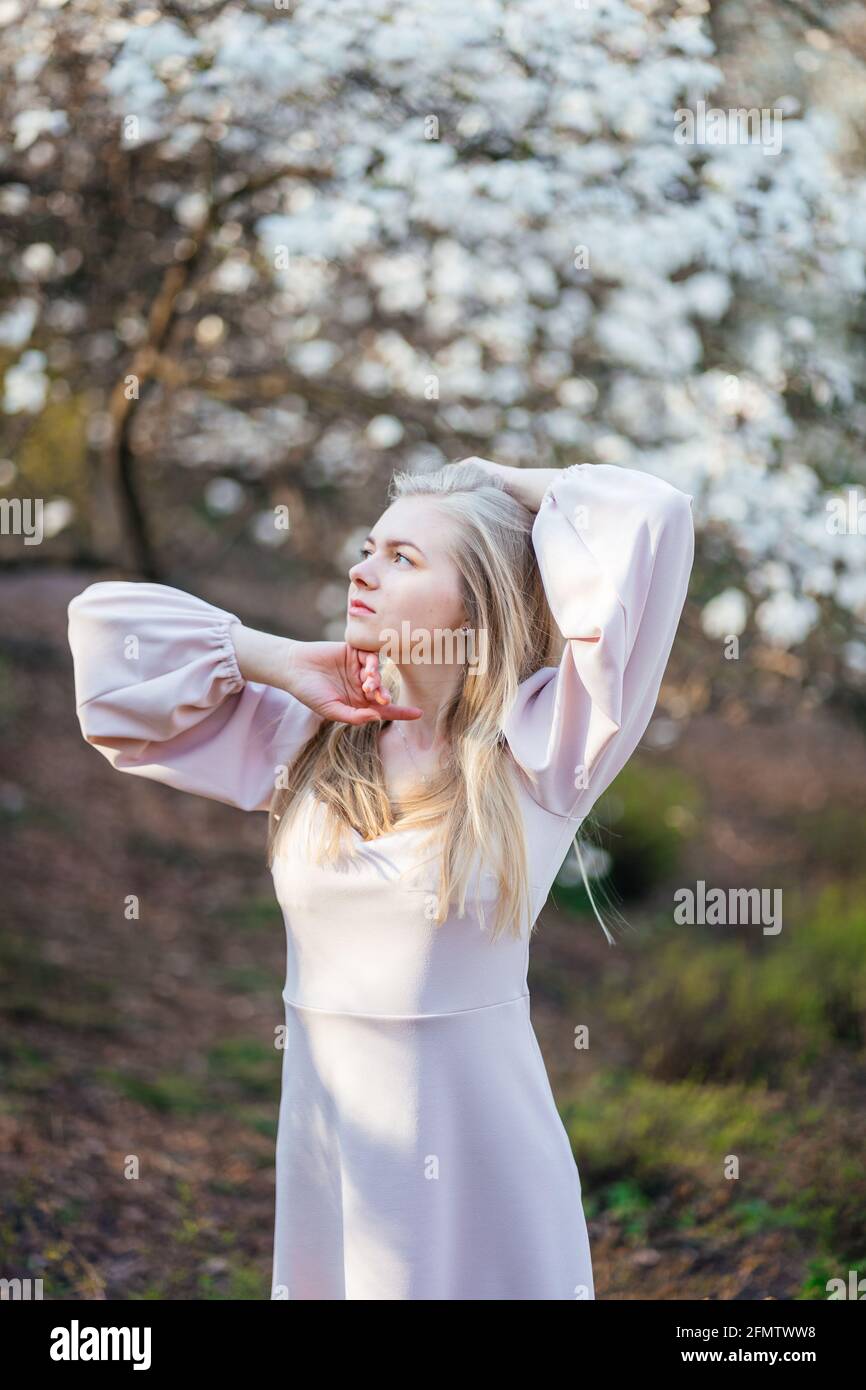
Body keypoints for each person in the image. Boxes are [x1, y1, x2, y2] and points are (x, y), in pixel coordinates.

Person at [67, 456, 694, 1300]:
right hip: (334, 1154)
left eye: (404, 558)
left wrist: (496, 478)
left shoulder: (543, 750)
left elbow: (651, 514)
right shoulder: (307, 735)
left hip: (480, 1159)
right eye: (369, 548)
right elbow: (105, 640)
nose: (362, 570)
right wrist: (271, 657)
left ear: (476, 602)